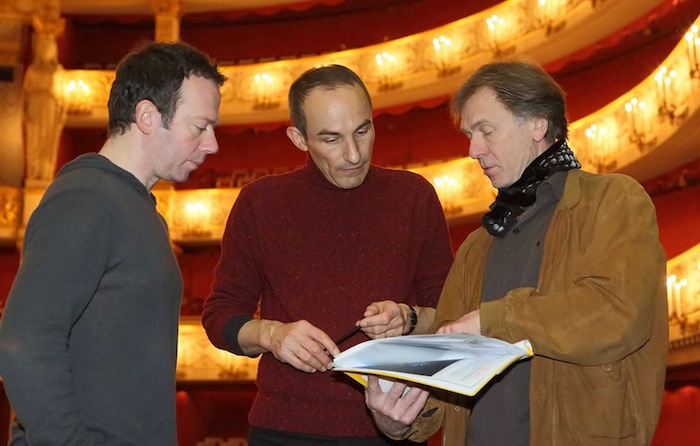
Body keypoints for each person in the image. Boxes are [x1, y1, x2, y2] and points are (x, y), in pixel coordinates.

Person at [365, 59, 668, 446]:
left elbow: (616, 313)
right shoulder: (476, 246)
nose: (473, 149)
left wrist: (494, 320)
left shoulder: (613, 200)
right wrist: (401, 418)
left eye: (486, 130)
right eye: (469, 135)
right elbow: (446, 367)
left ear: (538, 124)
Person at [201, 64, 454, 445]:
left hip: (394, 426)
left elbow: (452, 315)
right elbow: (220, 315)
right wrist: (272, 335)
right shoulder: (260, 203)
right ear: (298, 138)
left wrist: (409, 317)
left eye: (363, 131)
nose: (353, 154)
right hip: (283, 429)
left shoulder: (414, 196)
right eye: (331, 139)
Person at [0, 41, 226, 445]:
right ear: (146, 116)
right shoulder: (87, 197)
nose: (212, 144)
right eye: (200, 126)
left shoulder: (136, 207)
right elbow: (24, 341)